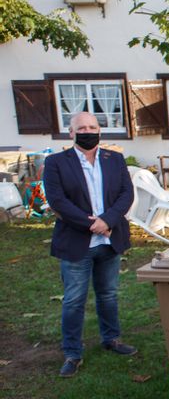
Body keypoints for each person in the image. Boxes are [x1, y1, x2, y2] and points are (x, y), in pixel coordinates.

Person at [43, 111, 137, 378]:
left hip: (109, 240)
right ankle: (72, 352)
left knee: (108, 294)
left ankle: (111, 339)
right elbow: (57, 201)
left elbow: (126, 194)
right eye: (81, 127)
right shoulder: (56, 162)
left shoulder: (114, 159)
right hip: (77, 242)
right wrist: (90, 223)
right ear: (71, 132)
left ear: (99, 130)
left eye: (92, 127)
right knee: (73, 300)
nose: (87, 131)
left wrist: (107, 220)